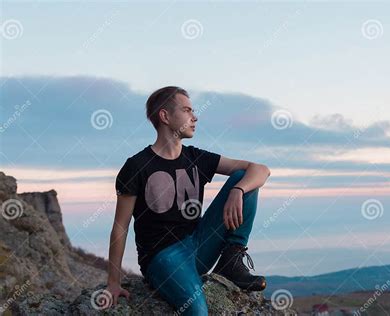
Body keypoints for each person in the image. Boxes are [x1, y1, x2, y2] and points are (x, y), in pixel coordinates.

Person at [105, 86, 271, 315]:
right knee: (197, 310)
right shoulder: (136, 166)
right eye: (186, 110)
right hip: (162, 257)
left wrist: (238, 190)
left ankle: (231, 260)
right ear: (165, 116)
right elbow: (120, 227)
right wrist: (113, 282)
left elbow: (261, 170)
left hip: (198, 243)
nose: (195, 117)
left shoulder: (196, 158)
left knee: (243, 177)